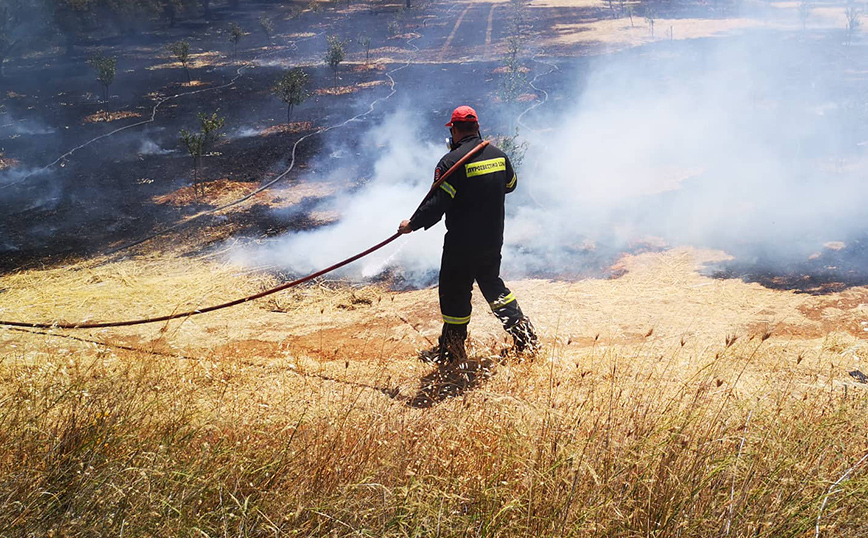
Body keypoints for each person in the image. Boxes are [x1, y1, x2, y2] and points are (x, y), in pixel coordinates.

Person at [398, 105, 538, 364]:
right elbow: (511, 185)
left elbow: (437, 205)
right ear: (477, 127)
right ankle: (525, 337)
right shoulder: (498, 155)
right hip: (492, 239)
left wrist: (411, 224)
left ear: (453, 130)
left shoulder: (450, 162)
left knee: (454, 294)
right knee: (494, 287)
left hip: (462, 245)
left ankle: (452, 351)